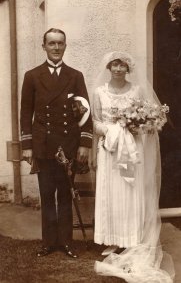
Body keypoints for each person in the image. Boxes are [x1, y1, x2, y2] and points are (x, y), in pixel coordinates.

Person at [92, 51, 174, 282]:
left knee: (131, 192)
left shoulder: (137, 91)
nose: (118, 69)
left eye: (123, 65)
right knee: (112, 193)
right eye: (114, 65)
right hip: (110, 150)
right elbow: (96, 121)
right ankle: (113, 239)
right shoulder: (100, 92)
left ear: (128, 69)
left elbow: (150, 120)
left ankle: (131, 238)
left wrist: (139, 127)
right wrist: (111, 130)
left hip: (132, 151)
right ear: (109, 67)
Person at [20, 28, 93, 258]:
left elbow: (85, 112)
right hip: (43, 144)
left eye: (60, 43)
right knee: (47, 194)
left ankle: (66, 242)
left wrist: (84, 143)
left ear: (65, 46)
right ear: (44, 46)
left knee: (65, 194)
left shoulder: (75, 75)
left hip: (68, 145)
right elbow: (25, 113)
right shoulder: (32, 76)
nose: (56, 48)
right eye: (51, 43)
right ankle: (49, 242)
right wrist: (27, 145)